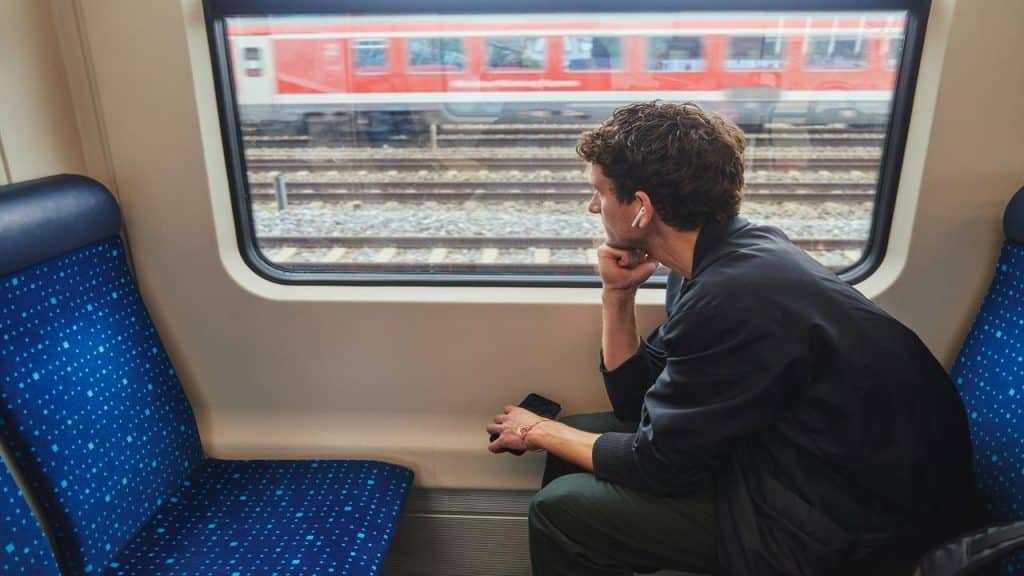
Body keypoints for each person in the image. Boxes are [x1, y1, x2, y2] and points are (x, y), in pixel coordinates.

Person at [486, 101, 977, 576]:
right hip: (799, 461)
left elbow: (657, 464)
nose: (593, 206)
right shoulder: (715, 261)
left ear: (641, 207)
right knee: (583, 436)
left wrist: (537, 430)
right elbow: (635, 400)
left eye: (600, 192)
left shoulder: (735, 295)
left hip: (843, 522)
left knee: (562, 508)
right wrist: (618, 295)